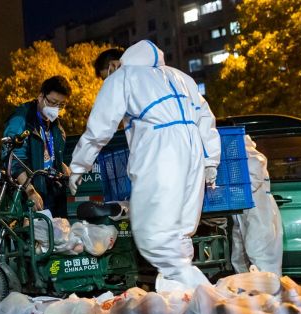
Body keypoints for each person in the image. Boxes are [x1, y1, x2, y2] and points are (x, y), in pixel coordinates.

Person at [68, 41, 221, 289]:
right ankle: (183, 299)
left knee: (152, 234)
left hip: (160, 150)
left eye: (104, 75)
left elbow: (99, 128)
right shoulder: (181, 77)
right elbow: (206, 118)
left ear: (113, 66)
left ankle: (199, 290)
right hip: (193, 151)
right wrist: (210, 161)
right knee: (180, 231)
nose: (106, 80)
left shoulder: (123, 77)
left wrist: (78, 166)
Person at [2, 76, 73, 217]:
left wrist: (62, 165)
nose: (56, 109)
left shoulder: (55, 126)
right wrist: (30, 191)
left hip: (51, 193)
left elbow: (49, 154)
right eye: (53, 103)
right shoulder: (21, 120)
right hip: (26, 196)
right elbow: (13, 159)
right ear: (41, 97)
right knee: (29, 235)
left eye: (61, 105)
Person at [231, 134, 284, 275]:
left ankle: (268, 293)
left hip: (259, 211)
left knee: (260, 253)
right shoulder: (246, 155)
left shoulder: (250, 157)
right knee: (241, 256)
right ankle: (253, 292)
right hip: (251, 211)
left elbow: (253, 182)